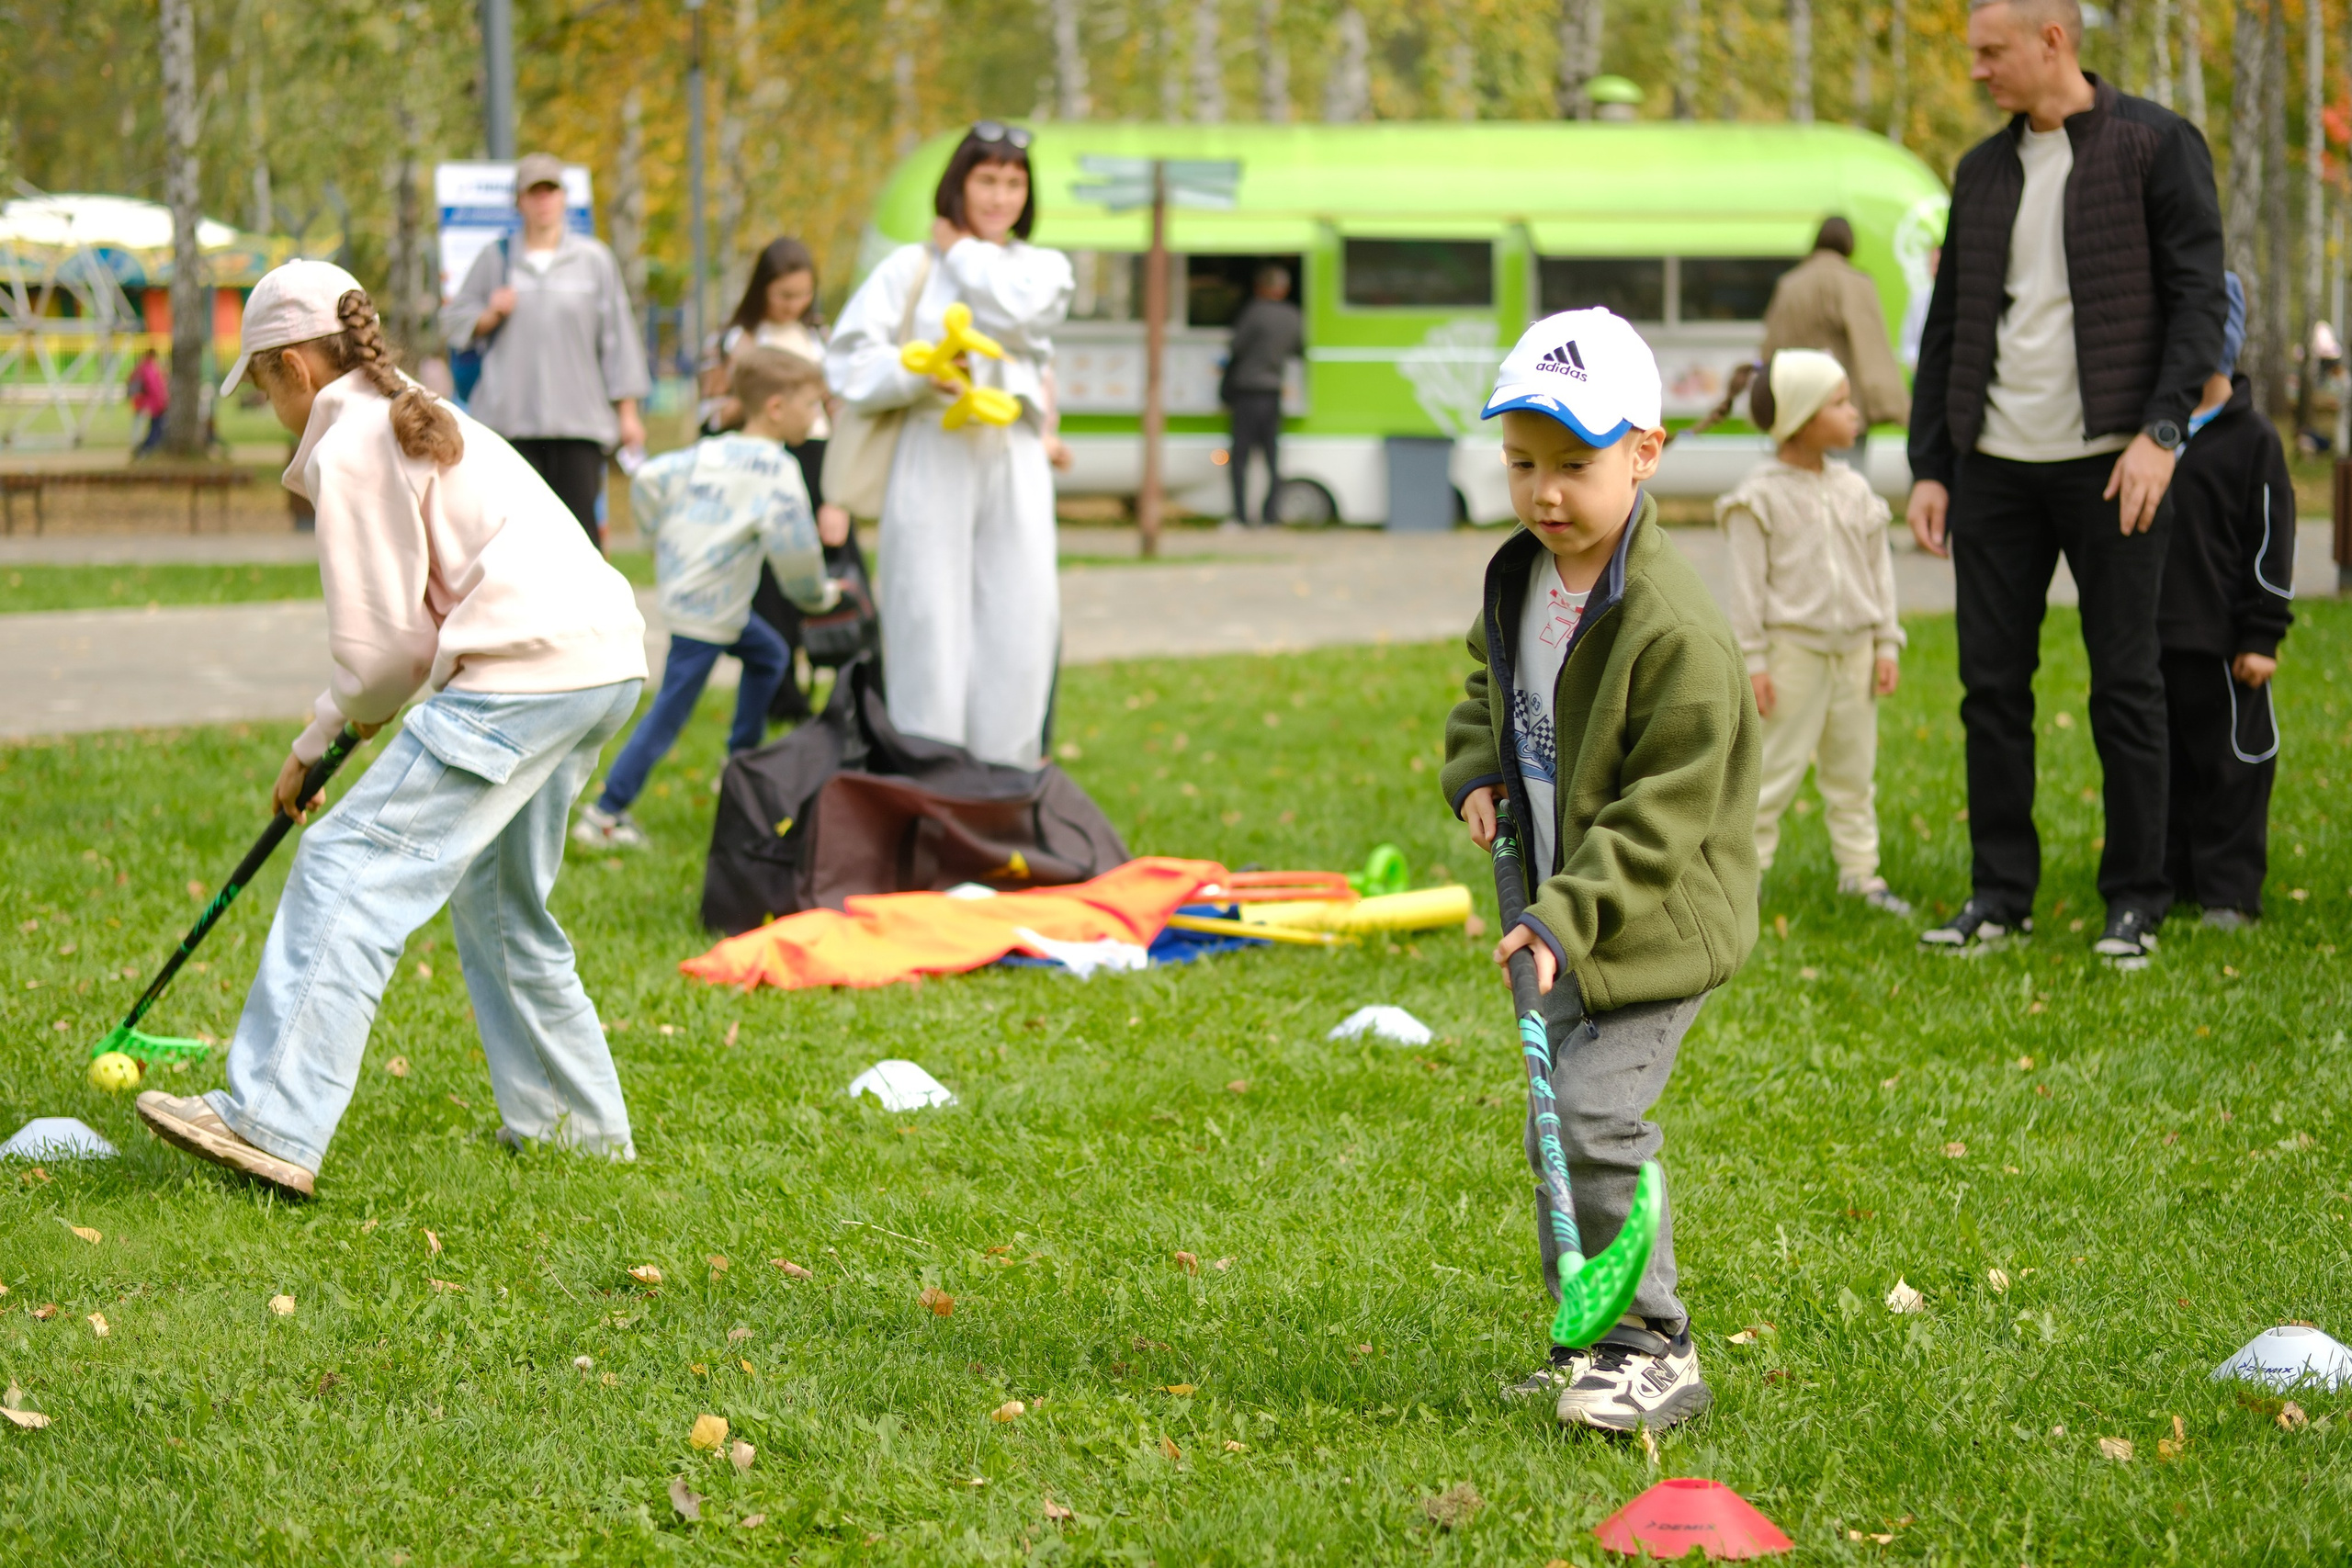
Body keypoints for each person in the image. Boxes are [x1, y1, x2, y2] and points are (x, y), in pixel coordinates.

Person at [133, 260, 649, 1198]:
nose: (263, 406)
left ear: (293, 365)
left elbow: (382, 662)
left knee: (347, 870)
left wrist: (318, 742)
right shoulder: (403, 405)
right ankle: (577, 1135)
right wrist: (336, 730)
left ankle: (269, 1120)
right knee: (501, 905)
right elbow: (397, 656)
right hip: (598, 662)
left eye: (258, 384)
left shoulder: (355, 439)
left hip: (522, 673)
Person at [1441, 308, 1759, 1434]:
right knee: (1552, 1119)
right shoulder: (1524, 577)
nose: (1545, 492)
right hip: (1561, 911)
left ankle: (1651, 1346)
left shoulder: (1675, 631)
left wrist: (1566, 915)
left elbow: (1662, 817)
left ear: (1646, 453)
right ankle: (1589, 1336)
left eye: (1575, 465)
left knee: (1591, 1113)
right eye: (1523, 464)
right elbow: (1488, 684)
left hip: (1651, 923)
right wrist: (1477, 768)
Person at [1906, 0, 2225, 964]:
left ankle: (2135, 898)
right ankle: (1998, 896)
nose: (1976, 71)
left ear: (2054, 41)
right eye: (1971, 53)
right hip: (1993, 469)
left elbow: (2197, 298)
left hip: (2113, 466)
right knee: (1989, 689)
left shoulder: (2156, 145)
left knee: (2125, 684)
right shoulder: (1980, 170)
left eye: (1990, 52)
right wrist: (1932, 465)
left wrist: (2160, 433)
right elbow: (1948, 328)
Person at [825, 121, 1073, 769]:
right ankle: (929, 776)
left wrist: (962, 253)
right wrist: (915, 372)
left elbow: (1018, 312)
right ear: (958, 184)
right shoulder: (909, 267)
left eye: (1014, 183)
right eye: (986, 180)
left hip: (1014, 450)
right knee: (925, 614)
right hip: (932, 445)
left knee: (1022, 614)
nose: (999, 196)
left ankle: (1006, 779)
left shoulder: (1043, 268)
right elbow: (846, 361)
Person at [575, 347, 841, 850]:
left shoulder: (710, 451)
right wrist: (820, 597)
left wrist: (660, 539)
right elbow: (799, 553)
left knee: (770, 655)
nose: (818, 416)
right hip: (709, 614)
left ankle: (738, 764)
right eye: (813, 405)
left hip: (705, 601)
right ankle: (606, 814)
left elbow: (650, 479)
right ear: (778, 408)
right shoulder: (778, 472)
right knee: (671, 710)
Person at [1717, 351, 1910, 913]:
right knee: (1770, 773)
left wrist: (1885, 641)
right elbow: (1745, 591)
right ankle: (1742, 883)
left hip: (1853, 656)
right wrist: (1754, 661)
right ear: (1800, 417)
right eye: (1840, 403)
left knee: (1854, 773)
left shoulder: (1856, 491)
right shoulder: (1758, 498)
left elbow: (1880, 573)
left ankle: (1861, 875)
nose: (1855, 414)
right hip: (1790, 658)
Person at [2159, 274, 2294, 929]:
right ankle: (2172, 875)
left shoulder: (2253, 439)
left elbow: (2271, 541)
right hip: (2158, 639)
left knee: (2235, 765)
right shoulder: (2154, 438)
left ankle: (2230, 889)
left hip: (2227, 644)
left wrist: (2261, 634)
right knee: (2164, 765)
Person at [442, 152, 650, 550]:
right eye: (533, 192)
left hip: (579, 424)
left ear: (563, 198)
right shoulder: (496, 258)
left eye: (550, 190)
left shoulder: (593, 260)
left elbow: (618, 339)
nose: (543, 201)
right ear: (519, 201)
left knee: (580, 537)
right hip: (510, 423)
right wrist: (489, 314)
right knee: (513, 539)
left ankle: (590, 613)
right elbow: (453, 323)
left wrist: (627, 413)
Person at [713, 237, 859, 723]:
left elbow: (840, 409)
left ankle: (851, 689)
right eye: (784, 296)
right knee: (771, 581)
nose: (794, 305)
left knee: (837, 570)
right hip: (764, 463)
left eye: (802, 294)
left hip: (820, 460)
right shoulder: (739, 339)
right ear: (763, 292)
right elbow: (715, 411)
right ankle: (780, 695)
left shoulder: (822, 336)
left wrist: (839, 493)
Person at [1758, 218, 1914, 432]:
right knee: (1846, 465)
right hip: (1843, 402)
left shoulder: (1789, 285)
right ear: (1849, 244)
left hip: (1798, 406)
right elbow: (1872, 350)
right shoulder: (1855, 283)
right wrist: (1893, 404)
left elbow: (1771, 349)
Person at [1220, 264, 1303, 525]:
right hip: (1273, 392)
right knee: (1272, 458)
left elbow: (1236, 346)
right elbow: (1299, 348)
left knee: (1240, 459)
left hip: (1246, 391)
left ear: (1259, 287)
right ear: (1285, 289)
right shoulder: (1294, 316)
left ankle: (1241, 515)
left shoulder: (1253, 313)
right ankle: (1271, 515)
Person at [127, 347, 169, 455]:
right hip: (149, 403)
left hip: (140, 401)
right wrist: (162, 400)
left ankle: (140, 446)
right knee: (155, 425)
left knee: (141, 424)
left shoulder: (140, 367)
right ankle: (145, 447)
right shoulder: (150, 369)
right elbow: (154, 387)